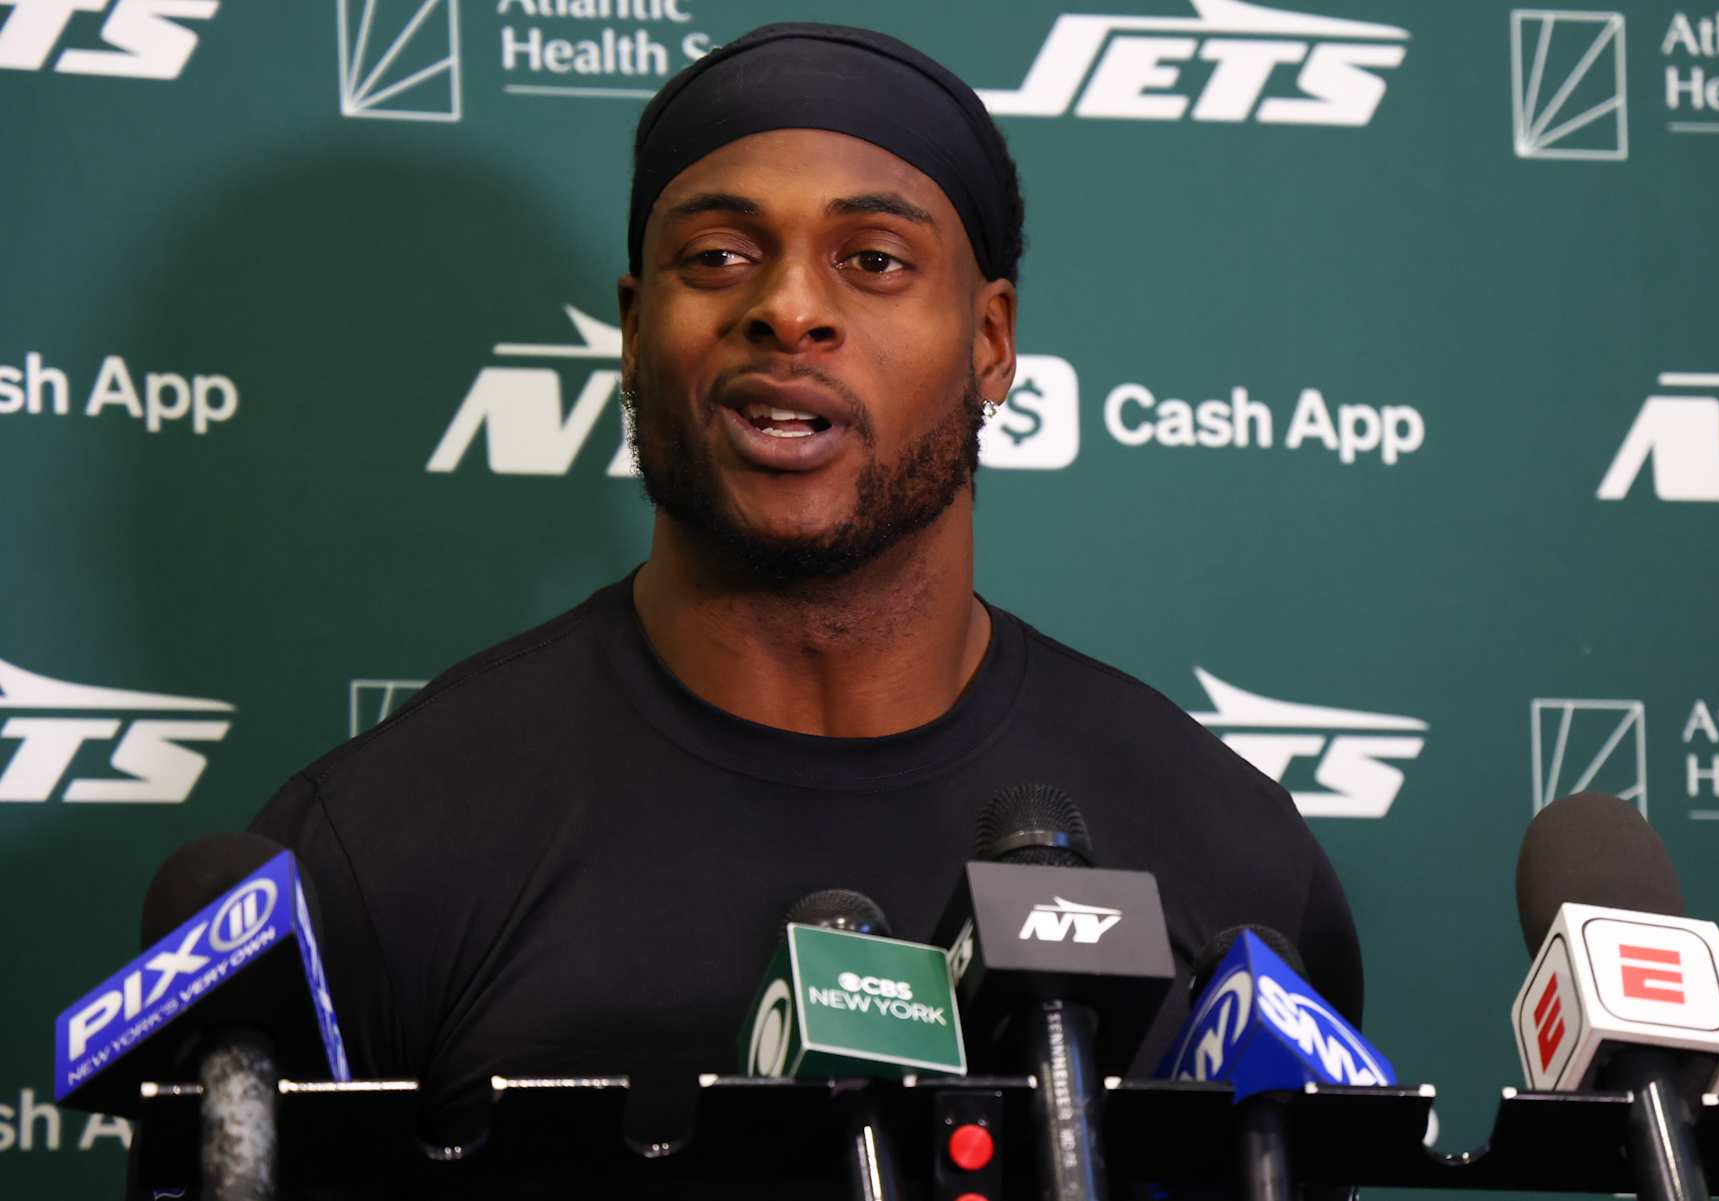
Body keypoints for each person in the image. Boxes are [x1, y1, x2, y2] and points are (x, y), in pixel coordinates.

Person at [251, 21, 1363, 1153]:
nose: (787, 308)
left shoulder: (1232, 856)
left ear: (990, 339)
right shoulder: (379, 851)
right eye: (719, 257)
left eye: (874, 259)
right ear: (635, 333)